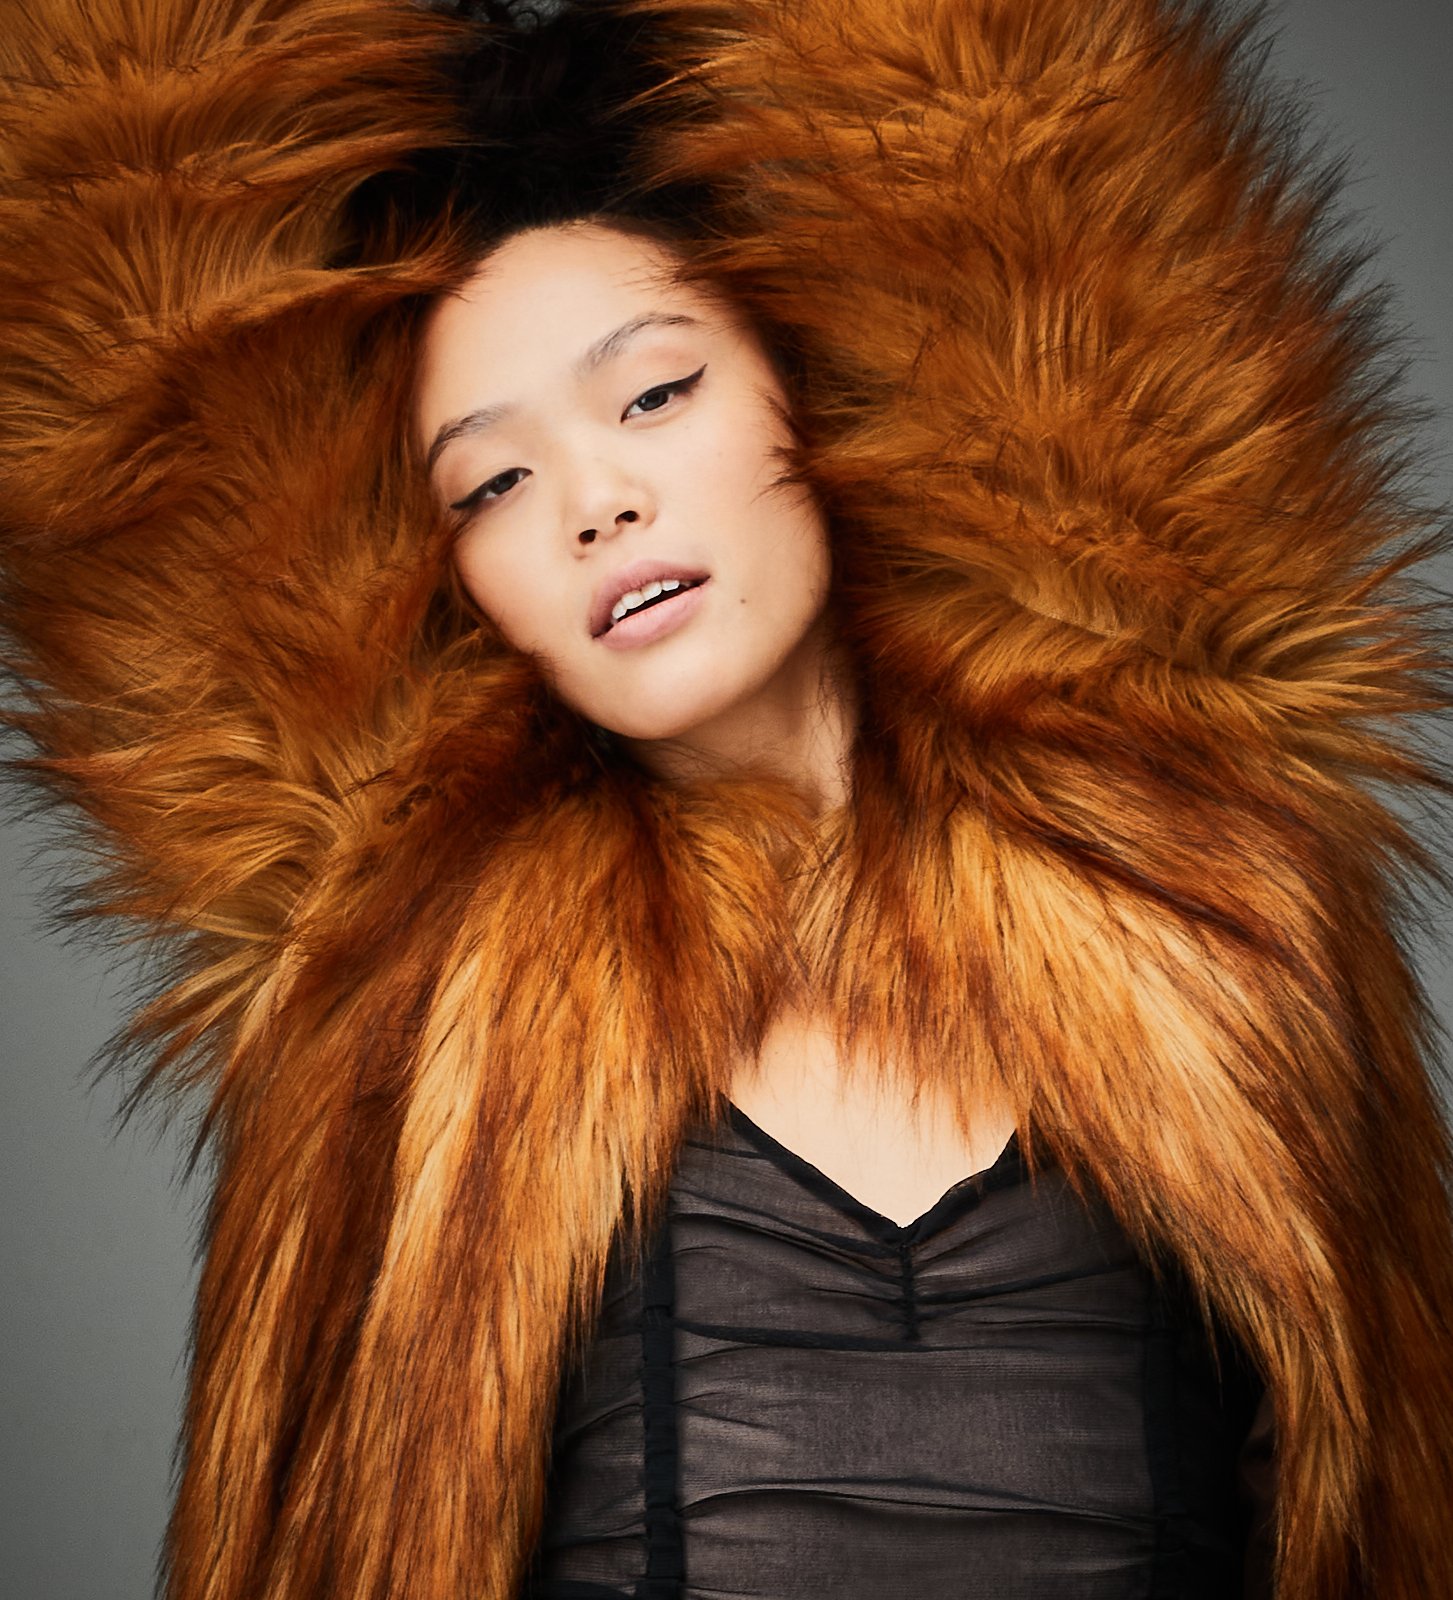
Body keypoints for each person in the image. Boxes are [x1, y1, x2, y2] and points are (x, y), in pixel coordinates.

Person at [2, 1, 1451, 1598]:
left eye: (652, 395)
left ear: (809, 387)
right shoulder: (405, 1017)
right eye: (489, 483)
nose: (594, 501)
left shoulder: (1218, 913)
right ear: (447, 576)